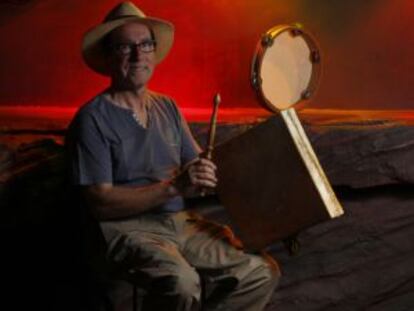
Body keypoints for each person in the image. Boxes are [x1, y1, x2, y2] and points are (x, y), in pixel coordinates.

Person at [66, 2, 280, 310]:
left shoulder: (167, 106)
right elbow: (101, 204)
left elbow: (194, 162)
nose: (139, 55)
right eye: (126, 47)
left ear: (154, 51)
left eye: (145, 45)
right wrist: (175, 187)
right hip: (127, 230)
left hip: (180, 223)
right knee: (181, 283)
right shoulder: (92, 119)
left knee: (260, 272)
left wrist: (211, 170)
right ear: (109, 55)